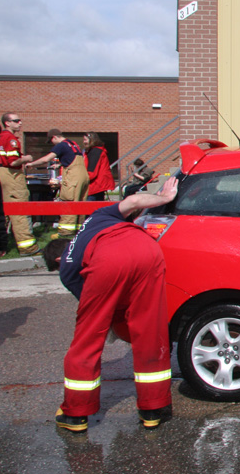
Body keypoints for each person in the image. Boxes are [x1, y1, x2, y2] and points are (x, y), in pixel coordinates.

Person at [41, 176, 179, 433]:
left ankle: (75, 414)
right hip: (147, 249)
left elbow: (101, 313)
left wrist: (117, 327)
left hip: (108, 257)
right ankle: (153, 409)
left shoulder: (68, 269)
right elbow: (134, 201)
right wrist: (164, 197)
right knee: (150, 331)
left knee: (87, 338)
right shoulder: (98, 216)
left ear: (58, 259)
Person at [27, 129, 90, 239]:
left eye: (51, 141)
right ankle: (79, 230)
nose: (52, 144)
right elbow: (72, 158)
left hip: (73, 177)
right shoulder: (73, 143)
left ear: (55, 137)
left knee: (69, 202)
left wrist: (31, 164)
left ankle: (65, 232)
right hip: (83, 176)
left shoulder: (61, 145)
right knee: (80, 204)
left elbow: (46, 159)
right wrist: (60, 164)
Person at [0, 113, 38, 255]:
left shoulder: (1, 137)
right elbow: (13, 162)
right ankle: (28, 247)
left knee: (4, 211)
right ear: (7, 123)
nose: (20, 123)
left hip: (2, 175)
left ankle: (2, 245)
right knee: (20, 210)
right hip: (12, 175)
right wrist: (26, 158)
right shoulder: (10, 139)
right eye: (16, 121)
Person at [83, 132, 115, 201]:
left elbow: (92, 172)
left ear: (91, 140)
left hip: (95, 185)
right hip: (99, 185)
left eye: (85, 140)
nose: (84, 142)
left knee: (90, 206)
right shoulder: (96, 151)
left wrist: (82, 180)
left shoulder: (95, 152)